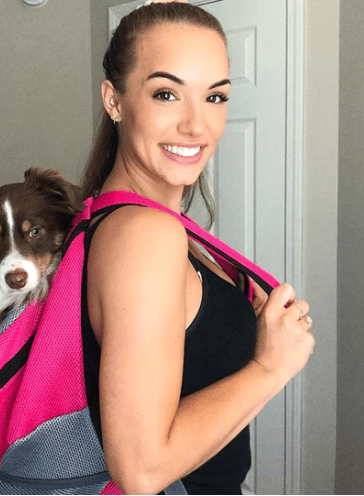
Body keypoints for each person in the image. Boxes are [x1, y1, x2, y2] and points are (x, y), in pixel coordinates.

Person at [79, 2, 315, 494]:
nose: (196, 125)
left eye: (215, 97)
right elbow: (141, 469)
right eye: (166, 94)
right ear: (114, 101)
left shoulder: (129, 219)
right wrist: (270, 367)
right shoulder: (146, 236)